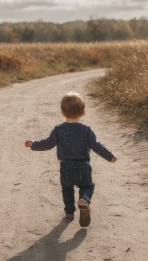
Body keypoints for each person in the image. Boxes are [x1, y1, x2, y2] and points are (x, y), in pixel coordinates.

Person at [25, 92, 117, 227]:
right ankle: (84, 199)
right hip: (83, 167)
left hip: (66, 168)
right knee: (87, 186)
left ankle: (69, 212)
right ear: (84, 112)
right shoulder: (86, 130)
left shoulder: (58, 129)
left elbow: (48, 143)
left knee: (67, 189)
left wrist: (33, 144)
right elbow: (96, 145)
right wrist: (110, 156)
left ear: (62, 113)